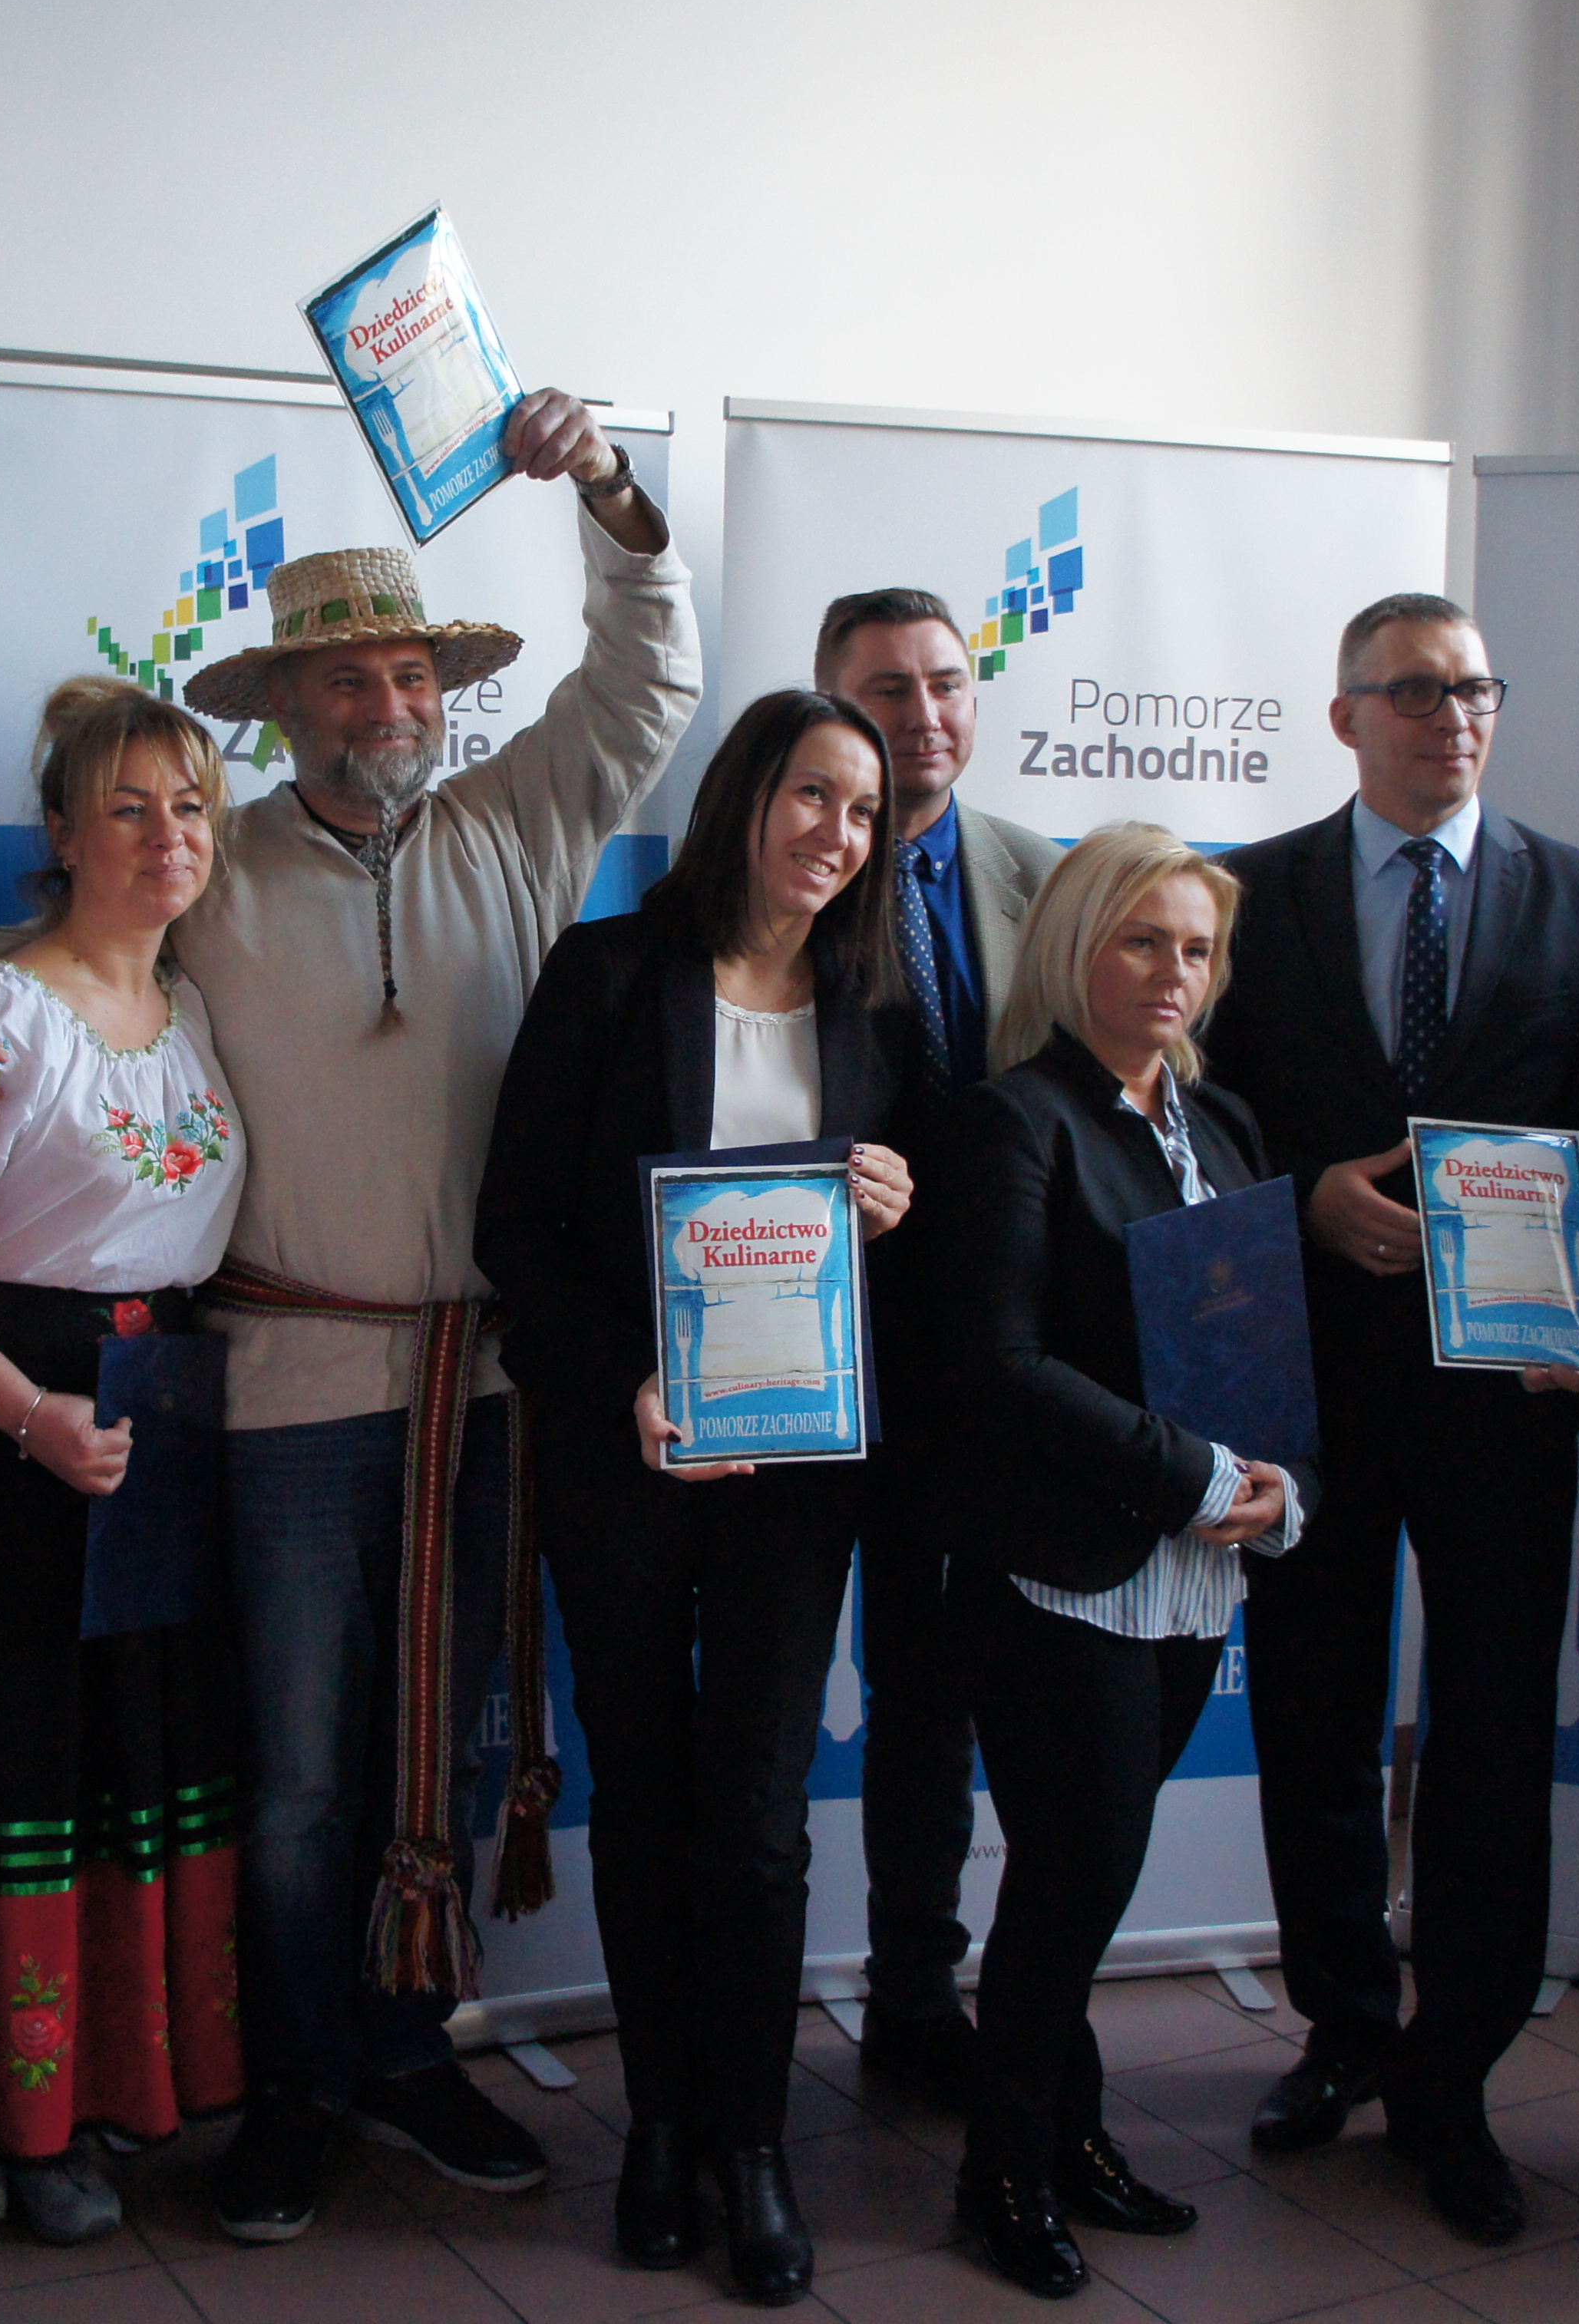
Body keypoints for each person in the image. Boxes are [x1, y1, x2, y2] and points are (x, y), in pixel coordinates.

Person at [0, 391, 695, 2242]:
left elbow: (648, 674)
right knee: (305, 1763)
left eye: (407, 674)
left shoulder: (519, 820)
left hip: (484, 1388)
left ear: (441, 692)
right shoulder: (214, 857)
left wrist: (603, 484)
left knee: (446, 1749)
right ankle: (300, 2079)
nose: (381, 705)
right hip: (282, 1390)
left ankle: (410, 2054)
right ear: (285, 707)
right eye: (342, 680)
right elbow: (50, 950)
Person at [1201, 590, 1579, 2244]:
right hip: (1308, 1381)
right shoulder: (1246, 893)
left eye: (1471, 689)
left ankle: (1450, 2073)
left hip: (1501, 1395)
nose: (1448, 717)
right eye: (1410, 692)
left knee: (1489, 1728)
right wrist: (1301, 1201)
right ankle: (1342, 2027)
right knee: (1312, 1718)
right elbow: (1199, 1121)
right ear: (1344, 717)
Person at [477, 688, 923, 2304]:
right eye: (811, 795)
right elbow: (515, 1230)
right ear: (742, 796)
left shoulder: (879, 1008)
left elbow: (928, 1253)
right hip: (628, 1453)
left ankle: (752, 2143)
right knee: (644, 1795)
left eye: (863, 811)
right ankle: (658, 2125)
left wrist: (899, 1202)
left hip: (796, 1478)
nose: (835, 834)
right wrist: (627, 1385)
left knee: (755, 1816)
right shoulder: (608, 972)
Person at [0, 677, 250, 2249]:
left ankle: (82, 2097)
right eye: (129, 808)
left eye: (192, 807)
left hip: (158, 1415)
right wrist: (26, 1412)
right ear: (64, 832)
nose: (167, 836)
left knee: (114, 1760)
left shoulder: (200, 1006)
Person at [920, 824, 1311, 2302]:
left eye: (1195, 947)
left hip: (1196, 1568)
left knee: (1086, 1875)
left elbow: (1265, 1348)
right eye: (1141, 938)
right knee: (1072, 1876)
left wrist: (1281, 1481)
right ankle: (1003, 2169)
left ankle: (1067, 2134)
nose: (1171, 972)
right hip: (1060, 1566)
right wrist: (1191, 1473)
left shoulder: (1227, 1126)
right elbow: (995, 1363)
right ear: (1074, 943)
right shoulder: (1010, 1121)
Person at [811, 586, 1066, 2102]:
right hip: (813, 1350)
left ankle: (921, 1992)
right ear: (831, 703)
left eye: (946, 683)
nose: (922, 715)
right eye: (886, 689)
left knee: (939, 1697)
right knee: (802, 1688)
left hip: (1001, 1365)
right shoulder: (791, 873)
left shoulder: (1049, 878)